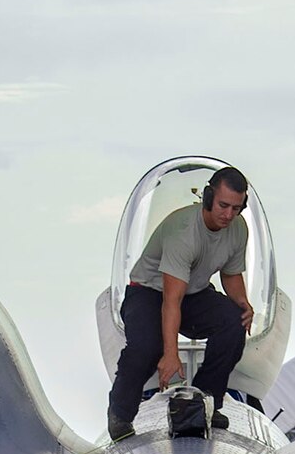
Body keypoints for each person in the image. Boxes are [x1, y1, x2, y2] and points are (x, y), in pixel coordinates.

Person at [107, 166, 254, 439]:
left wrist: (243, 303)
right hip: (149, 293)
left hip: (193, 293)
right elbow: (170, 301)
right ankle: (120, 414)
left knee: (233, 322)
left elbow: (231, 273)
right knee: (147, 348)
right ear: (208, 197)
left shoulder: (237, 229)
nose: (228, 215)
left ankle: (204, 400)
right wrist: (170, 354)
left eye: (236, 208)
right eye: (223, 205)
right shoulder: (184, 230)